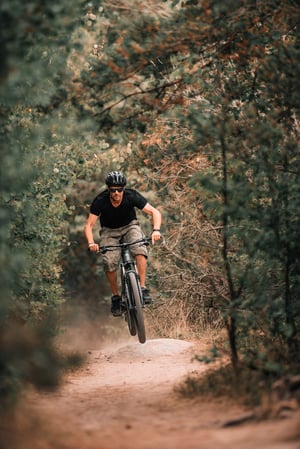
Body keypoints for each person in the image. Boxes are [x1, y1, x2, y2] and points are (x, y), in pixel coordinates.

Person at [84, 170, 162, 316]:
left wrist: (156, 230)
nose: (116, 193)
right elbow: (89, 225)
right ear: (108, 190)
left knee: (140, 249)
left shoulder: (131, 195)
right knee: (109, 261)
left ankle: (143, 288)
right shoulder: (100, 200)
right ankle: (115, 297)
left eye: (120, 189)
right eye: (113, 190)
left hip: (130, 226)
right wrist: (91, 243)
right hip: (109, 231)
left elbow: (155, 212)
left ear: (123, 189)